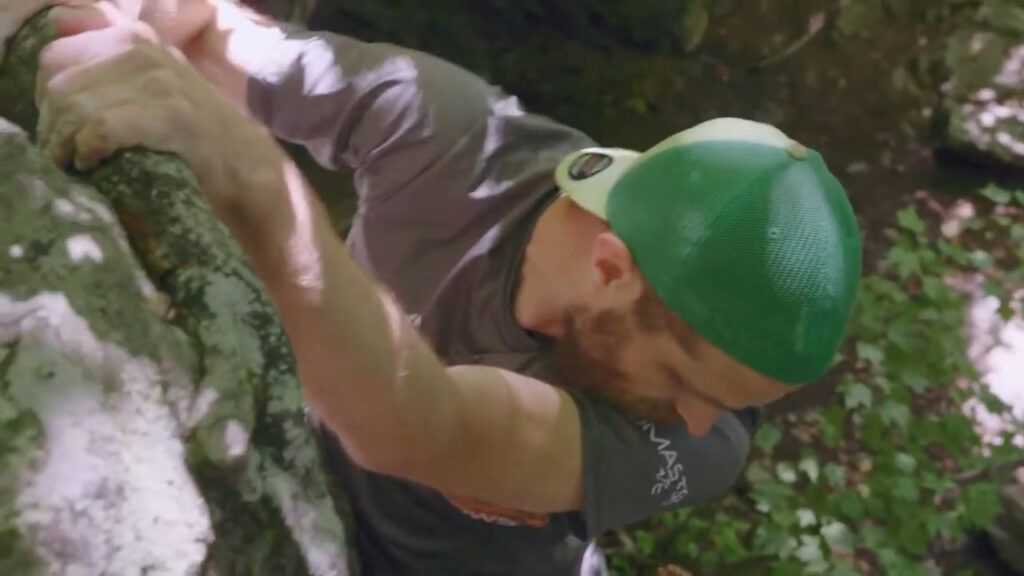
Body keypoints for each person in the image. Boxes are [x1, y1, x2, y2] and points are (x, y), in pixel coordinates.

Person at [18, 1, 863, 574]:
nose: (704, 424)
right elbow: (208, 33)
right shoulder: (455, 135)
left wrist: (252, 179)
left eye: (736, 404)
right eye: (685, 380)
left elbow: (422, 425)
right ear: (610, 268)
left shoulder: (702, 447)